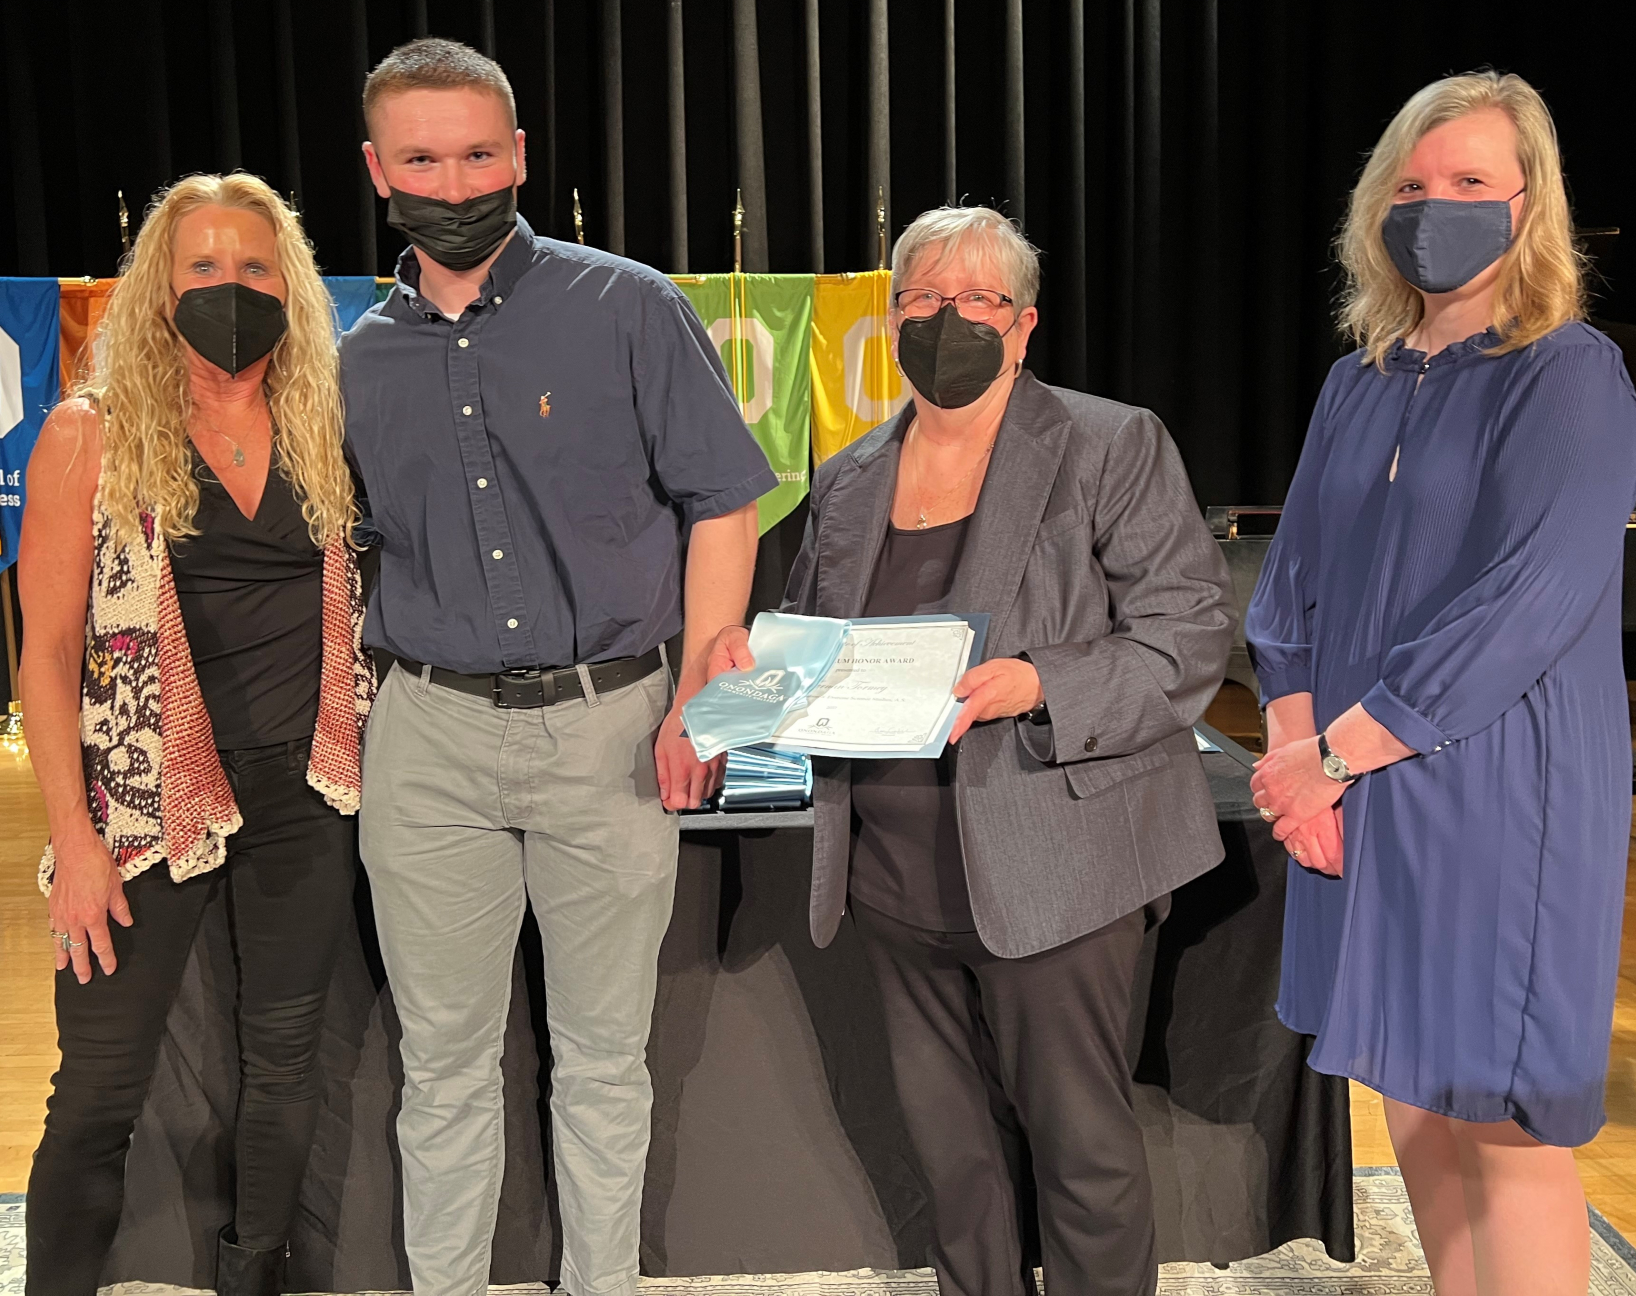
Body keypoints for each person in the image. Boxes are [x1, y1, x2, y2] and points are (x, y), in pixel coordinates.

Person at [706, 206, 1233, 1296]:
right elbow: (815, 651)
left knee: (1082, 1155)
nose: (945, 320)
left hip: (1060, 870)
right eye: (919, 301)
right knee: (954, 1168)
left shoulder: (1106, 443)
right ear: (891, 318)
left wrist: (1043, 683)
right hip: (896, 880)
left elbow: (1186, 633)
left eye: (975, 301)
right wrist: (747, 674)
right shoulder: (850, 478)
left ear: (1024, 325)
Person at [341, 39, 774, 1296]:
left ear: (520, 155)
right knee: (442, 1069)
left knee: (600, 1061)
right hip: (426, 741)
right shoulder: (352, 357)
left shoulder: (629, 305)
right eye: (422, 157)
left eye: (479, 152)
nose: (454, 178)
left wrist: (701, 695)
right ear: (379, 171)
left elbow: (722, 506)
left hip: (612, 727)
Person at [1246, 71, 1636, 1296]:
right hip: (1354, 786)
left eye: (1470, 183)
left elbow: (1525, 604)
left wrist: (1335, 756)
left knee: (1500, 1121)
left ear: (1531, 204)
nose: (1436, 206)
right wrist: (1294, 744)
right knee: (1409, 1089)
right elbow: (1290, 580)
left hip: (1499, 791)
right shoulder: (1357, 379)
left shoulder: (1567, 373)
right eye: (1412, 186)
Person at [17, 174, 372, 1296]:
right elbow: (45, 648)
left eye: (256, 269)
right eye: (204, 270)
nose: (232, 289)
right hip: (138, 803)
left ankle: (251, 1275)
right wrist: (73, 841)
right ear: (156, 291)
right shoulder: (93, 432)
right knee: (100, 1086)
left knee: (284, 1071)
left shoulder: (323, 420)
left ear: (292, 286)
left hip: (304, 796)